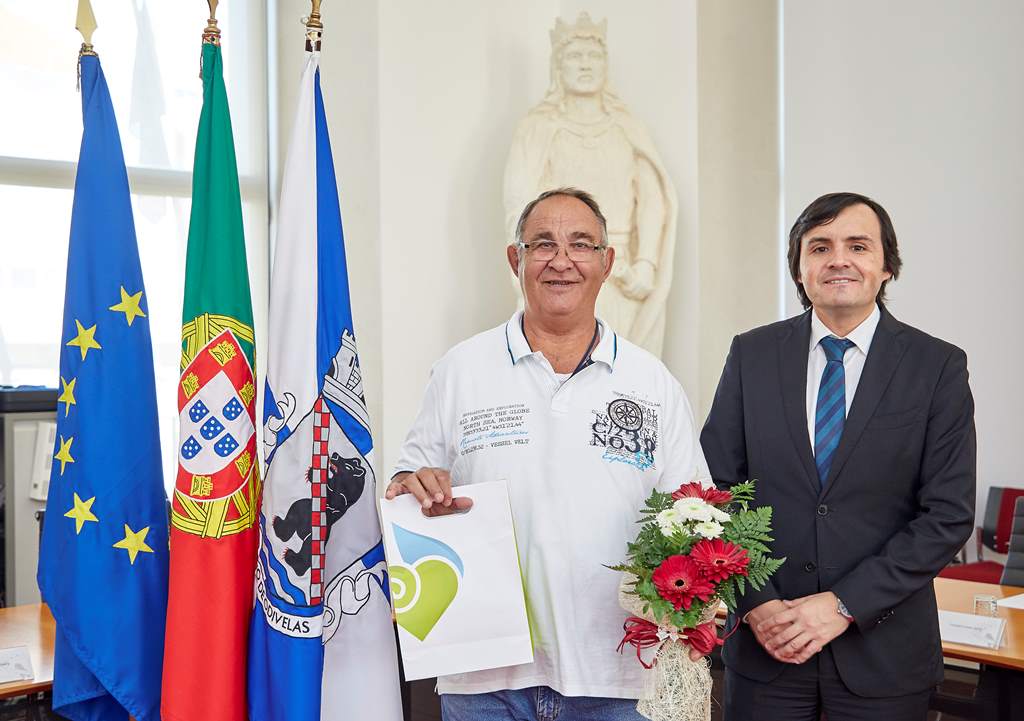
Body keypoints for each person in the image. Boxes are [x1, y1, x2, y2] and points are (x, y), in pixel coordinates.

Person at [386, 188, 709, 721]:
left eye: (581, 244)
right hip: (484, 674)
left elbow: (692, 514)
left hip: (619, 675)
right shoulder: (460, 370)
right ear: (515, 260)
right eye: (542, 244)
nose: (561, 261)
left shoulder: (652, 382)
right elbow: (408, 483)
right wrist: (413, 484)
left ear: (607, 263)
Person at [700, 192, 976, 720]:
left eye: (858, 245)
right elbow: (717, 492)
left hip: (885, 656)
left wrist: (844, 604)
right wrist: (758, 605)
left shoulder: (937, 366)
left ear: (887, 266)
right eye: (820, 247)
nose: (839, 260)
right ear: (799, 269)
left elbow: (947, 515)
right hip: (766, 648)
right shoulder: (751, 354)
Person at [503, 12, 678, 356]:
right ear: (558, 65)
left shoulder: (627, 128)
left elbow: (653, 199)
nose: (585, 64)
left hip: (623, 278)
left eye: (594, 55)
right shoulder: (536, 129)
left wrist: (646, 263)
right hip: (558, 274)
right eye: (575, 55)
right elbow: (519, 204)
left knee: (623, 368)